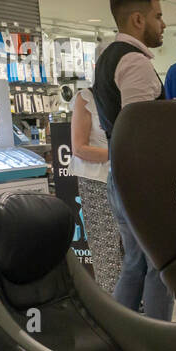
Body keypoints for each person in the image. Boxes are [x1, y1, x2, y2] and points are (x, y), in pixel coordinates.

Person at [91, 0, 174, 321]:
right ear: (138, 20)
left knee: (135, 262)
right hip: (141, 179)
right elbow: (138, 129)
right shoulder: (135, 62)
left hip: (120, 176)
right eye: (158, 16)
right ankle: (158, 342)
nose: (163, 24)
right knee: (160, 264)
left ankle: (120, 337)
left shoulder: (107, 57)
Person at [70, 86, 122, 292]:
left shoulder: (126, 95)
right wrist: (120, 152)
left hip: (127, 179)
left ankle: (133, 307)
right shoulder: (87, 97)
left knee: (131, 251)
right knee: (107, 252)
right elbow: (79, 148)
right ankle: (115, 308)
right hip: (97, 181)